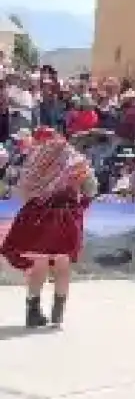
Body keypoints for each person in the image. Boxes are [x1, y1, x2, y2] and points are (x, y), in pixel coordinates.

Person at [0, 126, 97, 328]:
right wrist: (81, 203)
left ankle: (33, 313)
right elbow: (91, 188)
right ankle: (57, 315)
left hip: (37, 217)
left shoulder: (34, 159)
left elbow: (23, 191)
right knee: (62, 267)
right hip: (66, 217)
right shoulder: (75, 159)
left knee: (39, 265)